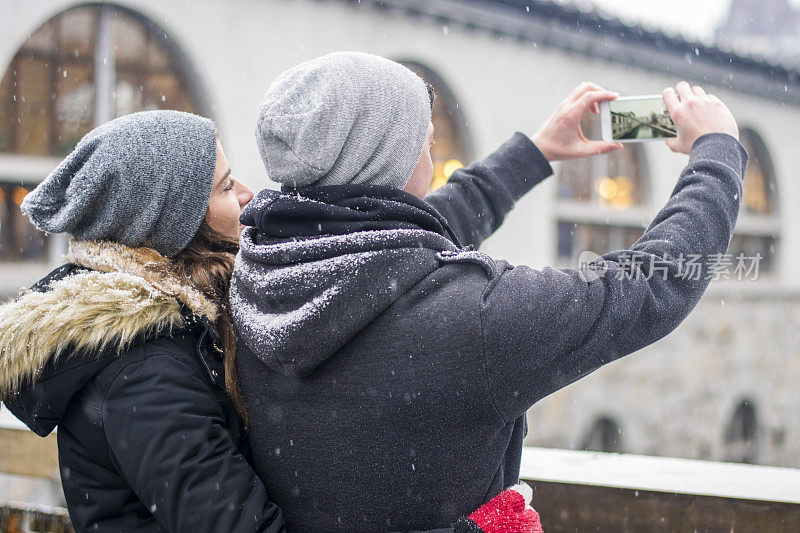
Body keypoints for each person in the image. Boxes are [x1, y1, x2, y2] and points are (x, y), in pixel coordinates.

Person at [230, 52, 747, 532]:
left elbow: (407, 236)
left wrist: (534, 154)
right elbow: (648, 283)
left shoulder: (256, 278)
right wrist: (718, 153)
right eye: (427, 143)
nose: (431, 163)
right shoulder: (469, 319)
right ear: (387, 160)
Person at [0, 110, 542, 533]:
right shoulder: (143, 375)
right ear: (172, 226)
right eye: (224, 185)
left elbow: (386, 251)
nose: (248, 195)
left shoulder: (199, 304)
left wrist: (532, 155)